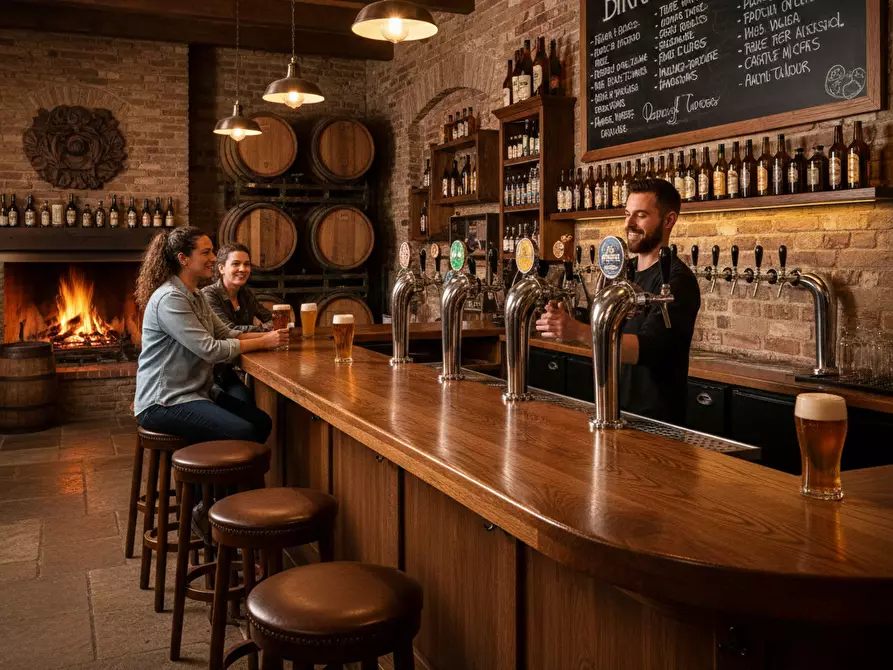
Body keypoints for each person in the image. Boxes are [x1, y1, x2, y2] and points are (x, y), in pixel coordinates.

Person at [535, 179, 701, 423]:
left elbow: (648, 349)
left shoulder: (678, 281)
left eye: (640, 215)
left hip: (654, 421)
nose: (628, 224)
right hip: (612, 409)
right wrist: (565, 318)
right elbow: (603, 323)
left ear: (669, 220)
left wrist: (577, 331)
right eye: (626, 214)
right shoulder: (621, 271)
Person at [133, 227, 288, 444]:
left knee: (262, 422)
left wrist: (272, 337)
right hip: (164, 402)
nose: (214, 258)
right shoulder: (170, 298)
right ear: (183, 259)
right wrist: (264, 341)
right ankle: (208, 466)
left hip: (197, 392)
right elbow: (211, 350)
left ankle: (225, 466)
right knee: (245, 432)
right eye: (206, 252)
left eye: (212, 251)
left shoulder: (196, 295)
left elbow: (226, 334)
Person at [202, 242, 273, 404]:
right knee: (245, 402)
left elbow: (269, 317)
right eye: (236, 264)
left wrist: (271, 326)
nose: (243, 269)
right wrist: (264, 332)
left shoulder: (245, 293)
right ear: (221, 268)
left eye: (247, 264)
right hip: (218, 373)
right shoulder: (209, 295)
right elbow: (229, 330)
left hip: (243, 366)